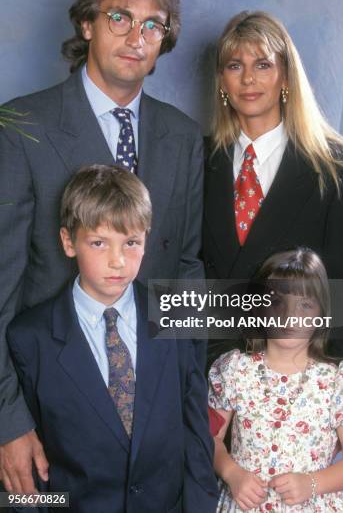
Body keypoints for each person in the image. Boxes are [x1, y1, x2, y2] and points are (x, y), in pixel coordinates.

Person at [0, 0, 204, 490]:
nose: (135, 38)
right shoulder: (21, 127)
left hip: (155, 414)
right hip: (48, 406)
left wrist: (190, 405)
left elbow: (184, 270)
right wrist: (7, 423)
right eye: (119, 17)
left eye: (153, 25)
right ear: (87, 23)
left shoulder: (183, 138)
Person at [6, 165, 218, 513]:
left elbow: (195, 435)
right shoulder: (30, 338)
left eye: (131, 243)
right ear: (68, 241)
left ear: (147, 239)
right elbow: (29, 473)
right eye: (99, 242)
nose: (118, 261)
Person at [203, 10, 343, 375]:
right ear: (221, 81)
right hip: (209, 372)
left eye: (262, 65)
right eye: (233, 66)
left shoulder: (334, 166)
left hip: (295, 383)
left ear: (286, 75)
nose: (247, 79)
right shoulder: (195, 159)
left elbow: (342, 291)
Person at [208, 248, 343, 512]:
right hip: (244, 505)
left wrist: (312, 483)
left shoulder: (336, 380)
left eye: (305, 304)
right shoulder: (234, 369)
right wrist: (231, 472)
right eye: (277, 301)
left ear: (322, 313)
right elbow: (209, 438)